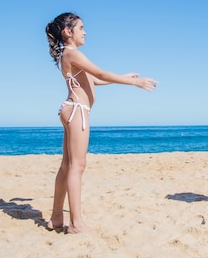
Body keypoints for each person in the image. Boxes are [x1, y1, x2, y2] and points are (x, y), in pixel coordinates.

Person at [45, 12, 158, 233]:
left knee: (67, 166)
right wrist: (134, 82)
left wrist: (124, 77)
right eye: (81, 28)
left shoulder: (67, 56)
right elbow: (100, 73)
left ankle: (57, 217)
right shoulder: (73, 53)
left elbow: (93, 79)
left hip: (70, 109)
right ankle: (76, 224)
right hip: (78, 111)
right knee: (77, 167)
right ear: (68, 32)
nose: (85, 32)